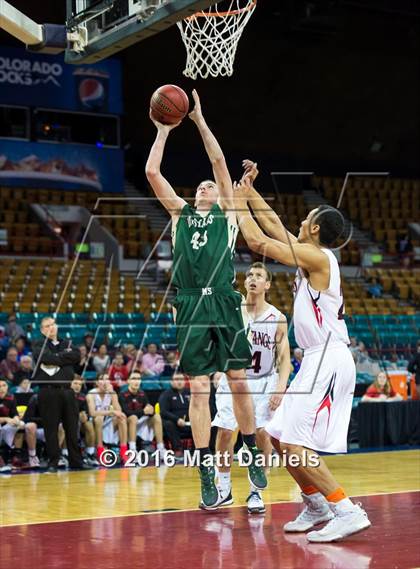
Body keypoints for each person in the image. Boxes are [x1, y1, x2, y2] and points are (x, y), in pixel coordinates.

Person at [234, 164, 370, 542]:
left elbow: (261, 243)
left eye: (306, 218)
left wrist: (236, 205)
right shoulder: (310, 253)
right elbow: (275, 226)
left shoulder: (320, 259)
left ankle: (346, 509)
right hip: (316, 357)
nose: (298, 221)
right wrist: (248, 192)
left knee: (295, 442)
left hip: (328, 356)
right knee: (278, 436)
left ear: (313, 229)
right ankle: (316, 505)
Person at [145, 90, 266, 508]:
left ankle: (250, 454)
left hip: (224, 302)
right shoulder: (179, 214)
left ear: (220, 194)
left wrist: (197, 121)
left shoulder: (228, 213)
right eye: (199, 185)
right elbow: (152, 172)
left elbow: (217, 163)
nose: (204, 186)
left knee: (236, 380)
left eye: (210, 186)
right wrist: (163, 131)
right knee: (199, 390)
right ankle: (205, 475)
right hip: (192, 303)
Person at [212, 262, 290, 513]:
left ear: (267, 284)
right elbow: (216, 342)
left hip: (264, 381)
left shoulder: (277, 317)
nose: (253, 279)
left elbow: (284, 358)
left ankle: (256, 492)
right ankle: (222, 488)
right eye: (249, 275)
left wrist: (280, 387)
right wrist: (216, 368)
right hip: (234, 379)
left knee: (261, 435)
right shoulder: (233, 310)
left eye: (259, 276)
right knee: (225, 431)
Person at [31, 316, 87, 472]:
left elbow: (76, 356)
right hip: (47, 391)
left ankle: (76, 461)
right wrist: (63, 358)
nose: (51, 327)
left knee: (72, 427)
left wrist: (55, 359)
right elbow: (44, 357)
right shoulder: (38, 343)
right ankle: (53, 462)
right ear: (42, 330)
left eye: (53, 324)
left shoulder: (68, 343)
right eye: (47, 326)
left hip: (68, 391)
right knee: (51, 429)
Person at [119, 372, 166, 456]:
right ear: (128, 381)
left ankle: (160, 448)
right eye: (134, 379)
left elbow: (148, 409)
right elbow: (126, 412)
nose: (136, 381)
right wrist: (143, 412)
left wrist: (151, 411)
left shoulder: (142, 393)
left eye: (138, 379)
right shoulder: (122, 394)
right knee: (133, 417)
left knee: (157, 416)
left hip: (140, 421)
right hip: (127, 423)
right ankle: (132, 450)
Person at [86, 373, 128, 465]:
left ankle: (123, 451)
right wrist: (111, 412)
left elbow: (119, 411)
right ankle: (100, 450)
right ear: (97, 382)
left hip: (107, 421)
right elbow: (92, 413)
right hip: (93, 423)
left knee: (122, 418)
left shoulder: (112, 393)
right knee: (99, 418)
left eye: (107, 379)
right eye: (102, 379)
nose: (105, 381)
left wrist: (112, 394)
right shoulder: (91, 394)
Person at [159, 372, 192, 456]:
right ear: (171, 382)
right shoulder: (166, 394)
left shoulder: (190, 392)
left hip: (190, 422)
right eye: (176, 380)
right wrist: (177, 419)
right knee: (168, 423)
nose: (179, 382)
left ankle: (197, 449)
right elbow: (163, 412)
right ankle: (177, 449)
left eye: (181, 379)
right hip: (175, 424)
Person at [70, 375, 99, 466]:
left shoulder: (83, 396)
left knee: (89, 424)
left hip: (79, 422)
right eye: (75, 383)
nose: (77, 386)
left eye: (80, 384)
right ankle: (64, 454)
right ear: (70, 384)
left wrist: (84, 416)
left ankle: (90, 453)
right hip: (66, 421)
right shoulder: (64, 395)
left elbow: (86, 411)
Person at [0, 377, 22, 472]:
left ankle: (16, 456)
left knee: (21, 424)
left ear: (7, 386)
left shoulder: (11, 397)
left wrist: (16, 419)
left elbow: (15, 413)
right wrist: (6, 419)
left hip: (6, 427)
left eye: (4, 385)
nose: (2, 388)